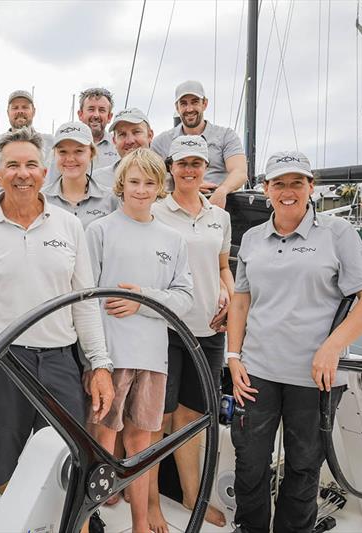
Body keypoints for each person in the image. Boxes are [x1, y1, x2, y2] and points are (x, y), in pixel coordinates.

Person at [0, 127, 115, 491]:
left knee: (69, 464)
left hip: (60, 362)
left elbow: (84, 302)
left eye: (31, 165)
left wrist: (99, 365)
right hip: (0, 363)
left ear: (44, 172)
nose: (22, 173)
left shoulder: (70, 226)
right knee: (1, 469)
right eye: (12, 165)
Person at [227, 151, 362, 533]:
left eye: (297, 182)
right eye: (279, 183)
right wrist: (233, 356)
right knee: (249, 461)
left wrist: (332, 347)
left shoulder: (337, 234)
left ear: (310, 188)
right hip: (256, 372)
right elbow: (241, 300)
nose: (288, 191)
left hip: (315, 377)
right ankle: (250, 528)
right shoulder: (251, 238)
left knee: (304, 464)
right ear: (266, 190)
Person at [86, 148, 193, 533]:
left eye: (150, 182)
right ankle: (90, 518)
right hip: (110, 356)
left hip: (152, 356)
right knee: (102, 440)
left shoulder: (173, 239)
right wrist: (93, 359)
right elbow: (87, 297)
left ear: (160, 186)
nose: (142, 189)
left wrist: (142, 301)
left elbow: (185, 298)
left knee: (141, 444)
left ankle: (141, 524)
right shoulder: (99, 231)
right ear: (121, 184)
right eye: (134, 182)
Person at [148, 135, 233, 530]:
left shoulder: (220, 215)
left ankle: (191, 494)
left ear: (205, 168)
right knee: (157, 418)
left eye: (196, 163)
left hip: (209, 329)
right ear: (171, 167)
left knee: (193, 416)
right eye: (182, 163)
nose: (189, 170)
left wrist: (230, 297)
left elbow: (222, 267)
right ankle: (148, 502)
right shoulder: (155, 210)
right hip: (164, 327)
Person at [151, 80, 247, 208]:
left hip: (217, 203)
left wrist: (221, 191)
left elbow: (239, 172)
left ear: (204, 104)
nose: (189, 109)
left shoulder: (226, 136)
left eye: (195, 102)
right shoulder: (161, 142)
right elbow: (151, 178)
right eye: (183, 103)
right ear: (177, 107)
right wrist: (189, 184)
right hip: (175, 206)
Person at [41, 121, 118, 228]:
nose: (70, 159)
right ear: (55, 154)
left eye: (78, 151)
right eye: (63, 151)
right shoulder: (41, 200)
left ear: (91, 153)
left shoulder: (111, 199)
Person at [0, 90, 54, 189]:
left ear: (34, 112)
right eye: (15, 108)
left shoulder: (51, 142)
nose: (20, 111)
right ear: (8, 112)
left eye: (25, 107)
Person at [92, 108, 154, 188]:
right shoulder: (96, 181)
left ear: (150, 135)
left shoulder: (166, 180)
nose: (130, 141)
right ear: (114, 141)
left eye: (136, 132)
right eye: (122, 134)